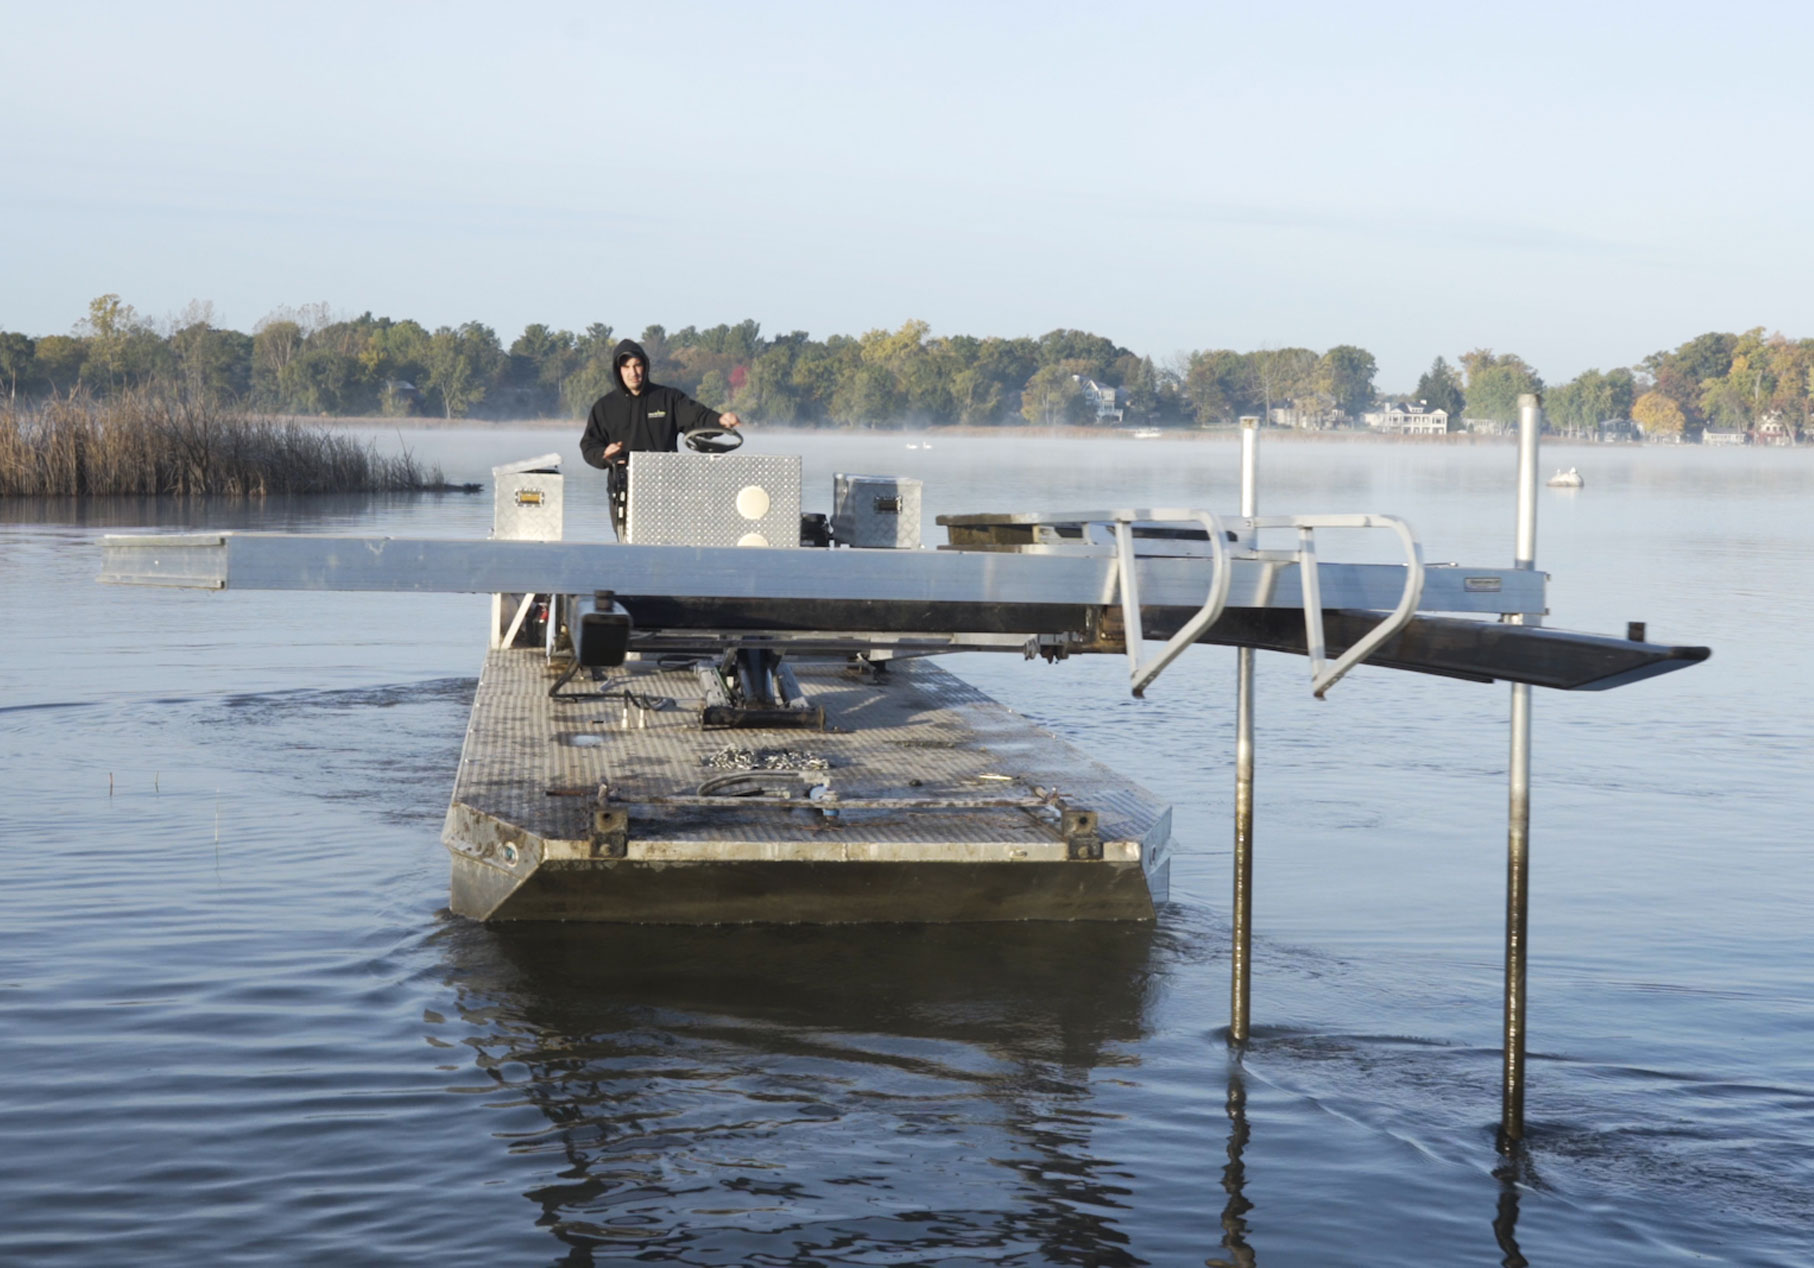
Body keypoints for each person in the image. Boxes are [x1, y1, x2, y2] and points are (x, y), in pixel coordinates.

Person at [579, 338, 743, 536]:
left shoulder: (668, 398)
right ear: (618, 371)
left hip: (666, 493)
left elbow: (698, 417)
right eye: (627, 367)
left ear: (645, 366)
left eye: (638, 365)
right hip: (623, 494)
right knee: (629, 554)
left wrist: (720, 421)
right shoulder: (604, 407)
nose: (633, 372)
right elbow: (589, 445)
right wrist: (603, 454)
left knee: (665, 556)